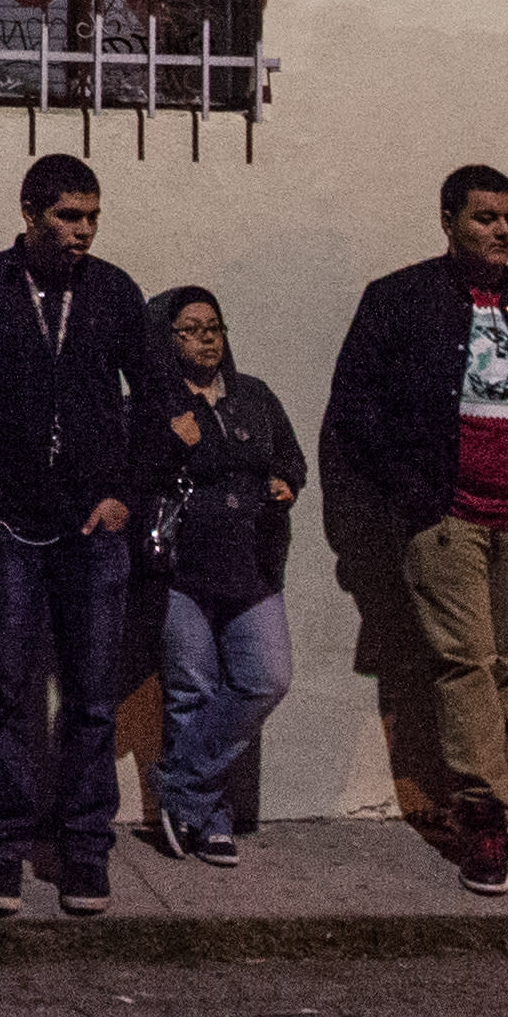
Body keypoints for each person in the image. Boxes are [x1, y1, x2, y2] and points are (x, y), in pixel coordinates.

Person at [324, 165, 508, 895]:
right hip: (448, 517)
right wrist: (414, 497)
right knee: (465, 664)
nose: (501, 231)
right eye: (484, 218)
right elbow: (355, 413)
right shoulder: (400, 300)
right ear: (448, 221)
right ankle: (485, 817)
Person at [0, 154, 162, 920]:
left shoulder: (115, 291)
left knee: (92, 697)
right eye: (68, 217)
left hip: (93, 526)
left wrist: (125, 494)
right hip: (10, 526)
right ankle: (2, 851)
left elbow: (157, 398)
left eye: (92, 217)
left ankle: (84, 851)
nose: (82, 233)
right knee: (4, 694)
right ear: (29, 213)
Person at [137, 284, 305, 869]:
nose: (206, 339)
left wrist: (285, 483)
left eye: (213, 327)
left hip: (252, 564)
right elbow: (135, 475)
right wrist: (168, 440)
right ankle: (208, 822)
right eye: (190, 329)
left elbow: (291, 458)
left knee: (266, 677)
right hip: (182, 568)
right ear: (166, 339)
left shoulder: (253, 395)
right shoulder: (154, 403)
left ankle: (180, 788)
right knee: (192, 692)